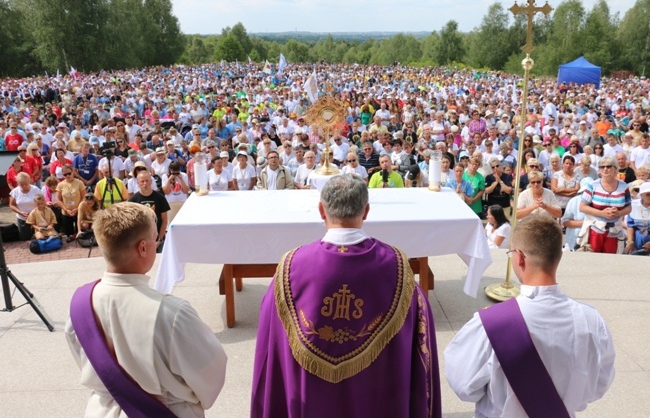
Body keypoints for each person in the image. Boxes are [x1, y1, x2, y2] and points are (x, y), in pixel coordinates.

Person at [251, 174, 441, 418]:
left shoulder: (291, 267)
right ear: (366, 211)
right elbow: (421, 343)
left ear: (321, 210)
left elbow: (270, 341)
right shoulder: (398, 268)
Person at [65, 202, 227, 417]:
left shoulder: (79, 304)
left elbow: (88, 361)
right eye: (155, 238)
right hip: (164, 410)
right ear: (143, 248)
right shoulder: (172, 312)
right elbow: (210, 371)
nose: (156, 242)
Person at [445, 215, 615, 418]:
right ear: (558, 256)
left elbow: (463, 385)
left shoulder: (490, 324)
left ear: (519, 257)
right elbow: (599, 385)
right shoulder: (591, 321)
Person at [579, 156, 632, 253]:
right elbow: (582, 207)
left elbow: (629, 207)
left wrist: (619, 213)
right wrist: (601, 213)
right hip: (596, 229)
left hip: (615, 229)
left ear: (615, 168)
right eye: (602, 167)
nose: (605, 169)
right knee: (593, 258)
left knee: (611, 260)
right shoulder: (592, 185)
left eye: (608, 166)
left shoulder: (624, 186)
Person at [129, 170, 170, 252]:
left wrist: (159, 240)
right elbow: (132, 223)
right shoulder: (133, 200)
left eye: (147, 181)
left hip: (158, 240)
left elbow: (164, 221)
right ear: (138, 183)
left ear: (151, 181)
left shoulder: (160, 198)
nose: (145, 184)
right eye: (142, 181)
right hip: (140, 242)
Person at [56, 164, 87, 242]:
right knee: (68, 233)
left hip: (78, 210)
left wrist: (77, 208)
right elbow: (58, 200)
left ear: (73, 172)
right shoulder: (60, 185)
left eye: (69, 173)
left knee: (81, 229)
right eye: (65, 174)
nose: (67, 176)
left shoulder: (79, 183)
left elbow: (84, 197)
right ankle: (70, 235)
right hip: (67, 212)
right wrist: (66, 210)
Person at [10, 172, 44, 240]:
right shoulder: (15, 191)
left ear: (29, 181)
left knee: (41, 236)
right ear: (18, 183)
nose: (24, 186)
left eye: (26, 184)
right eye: (21, 185)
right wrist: (20, 212)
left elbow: (43, 202)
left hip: (36, 216)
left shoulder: (35, 189)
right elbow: (11, 205)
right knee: (24, 238)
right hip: (23, 218)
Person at [625, 182, 650, 255]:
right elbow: (631, 226)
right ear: (641, 195)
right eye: (648, 194)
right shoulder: (633, 205)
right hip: (637, 239)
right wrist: (630, 242)